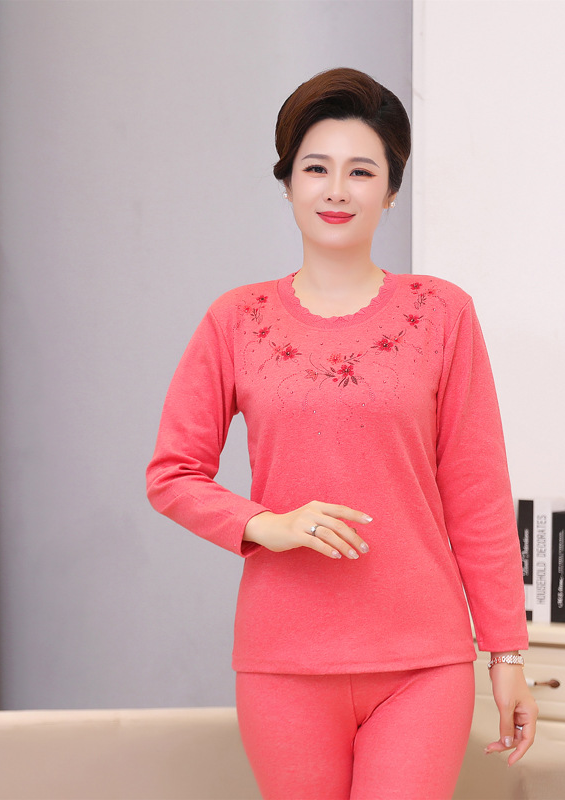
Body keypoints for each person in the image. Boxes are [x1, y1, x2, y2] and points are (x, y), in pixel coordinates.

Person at [146, 67, 537, 800]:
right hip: (284, 661)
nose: (336, 190)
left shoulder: (443, 314)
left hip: (423, 661)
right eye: (315, 168)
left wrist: (506, 653)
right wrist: (266, 523)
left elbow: (478, 495)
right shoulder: (235, 320)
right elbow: (172, 474)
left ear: (390, 190)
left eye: (361, 171)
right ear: (288, 182)